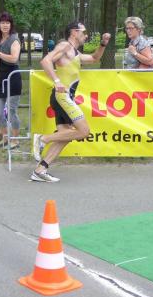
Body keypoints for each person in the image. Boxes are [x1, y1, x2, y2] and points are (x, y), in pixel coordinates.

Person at [31, 22, 111, 182]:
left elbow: (94, 58)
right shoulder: (65, 46)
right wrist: (56, 81)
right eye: (84, 32)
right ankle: (43, 138)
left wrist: (103, 44)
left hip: (64, 98)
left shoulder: (74, 52)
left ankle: (40, 170)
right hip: (62, 98)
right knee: (84, 131)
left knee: (65, 136)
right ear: (74, 32)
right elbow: (45, 61)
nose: (86, 35)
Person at [0, 12, 22, 149]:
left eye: (7, 22)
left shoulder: (14, 39)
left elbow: (14, 59)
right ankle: (6, 137)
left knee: (12, 111)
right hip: (2, 78)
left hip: (13, 77)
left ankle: (16, 140)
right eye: (3, 23)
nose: (5, 25)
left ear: (11, 25)